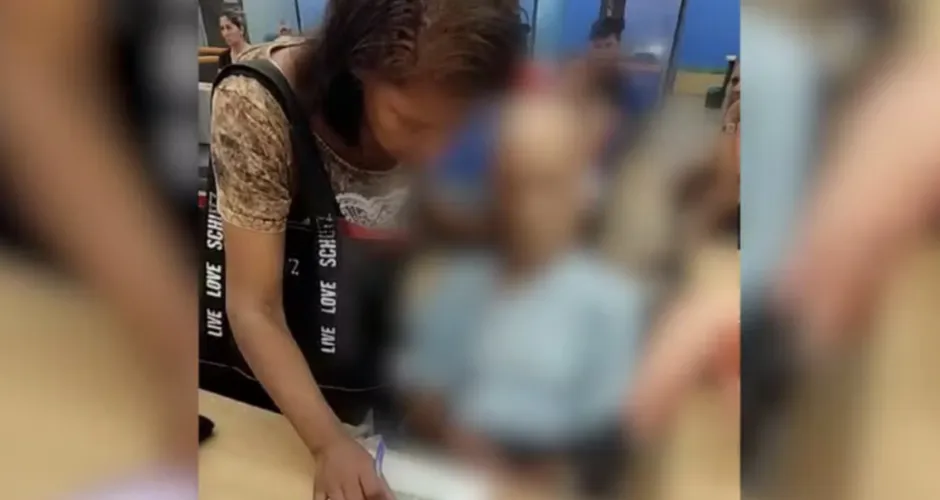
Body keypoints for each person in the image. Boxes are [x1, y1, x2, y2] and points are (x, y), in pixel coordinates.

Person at [202, 1, 525, 499]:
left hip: (374, 379)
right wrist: (327, 443)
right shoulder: (257, 104)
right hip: (272, 401)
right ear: (357, 67)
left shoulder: (467, 103)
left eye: (457, 126)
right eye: (411, 123)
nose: (434, 150)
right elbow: (254, 307)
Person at [398, 93, 638, 497]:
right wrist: (468, 452)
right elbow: (423, 394)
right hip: (452, 470)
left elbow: (600, 445)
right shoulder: (461, 283)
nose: (527, 206)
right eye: (513, 184)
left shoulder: (609, 305)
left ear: (583, 188)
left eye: (547, 184)